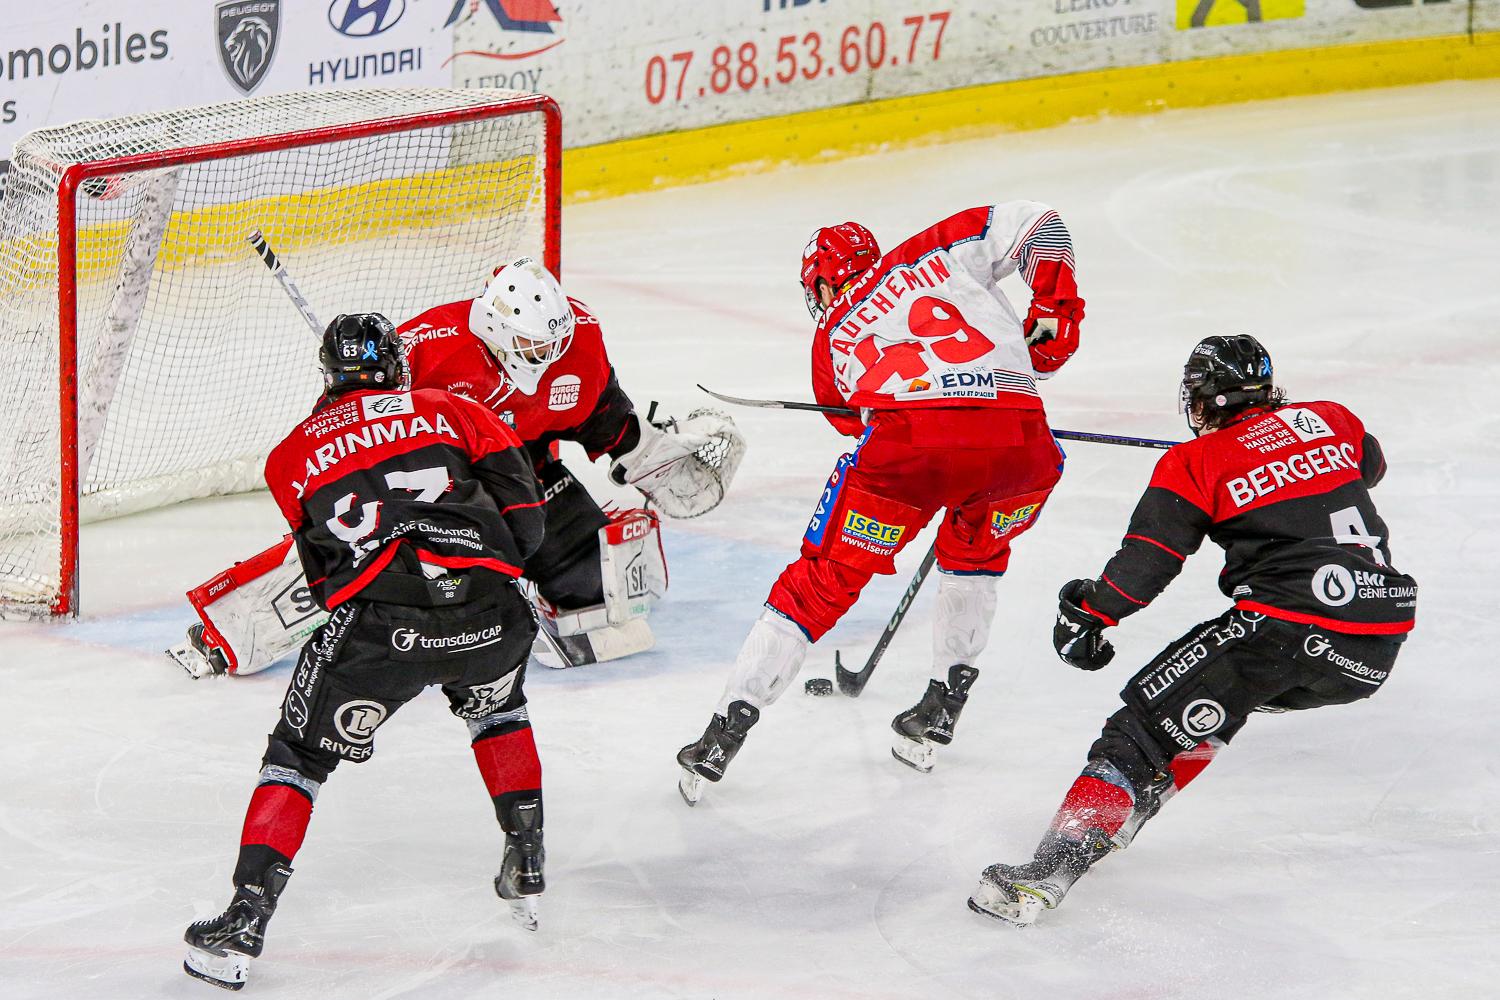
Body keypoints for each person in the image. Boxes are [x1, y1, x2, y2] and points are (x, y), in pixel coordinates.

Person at [968, 335, 1417, 927]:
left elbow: (1146, 563)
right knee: (1220, 701)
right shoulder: (1332, 419)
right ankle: (1128, 811)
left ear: (1201, 398)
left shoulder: (1192, 463)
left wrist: (1088, 612)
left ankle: (1047, 874)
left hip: (1285, 622)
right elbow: (1371, 466)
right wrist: (1286, 453)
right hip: (1377, 638)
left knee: (1138, 731)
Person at [183, 315, 550, 990]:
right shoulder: (455, 409)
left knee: (298, 756)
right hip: (494, 615)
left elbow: (324, 581)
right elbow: (526, 529)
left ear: (328, 375)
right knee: (498, 710)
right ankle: (526, 857)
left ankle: (245, 918)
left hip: (383, 626)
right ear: (397, 368)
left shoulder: (289, 455)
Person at [676, 202, 1087, 803]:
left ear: (820, 281)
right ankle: (940, 709)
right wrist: (1053, 317)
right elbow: (1039, 223)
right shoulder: (936, 253)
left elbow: (850, 422)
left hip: (906, 457)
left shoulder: (830, 336)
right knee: (973, 558)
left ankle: (723, 733)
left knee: (821, 581)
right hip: (1019, 448)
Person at [167, 258, 743, 677]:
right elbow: (343, 438)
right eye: (532, 347)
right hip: (434, 491)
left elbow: (604, 416)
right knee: (377, 576)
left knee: (590, 584)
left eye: (552, 345)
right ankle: (238, 623)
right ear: (494, 330)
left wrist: (652, 459)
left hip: (523, 473)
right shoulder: (428, 350)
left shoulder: (578, 344)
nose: (547, 359)